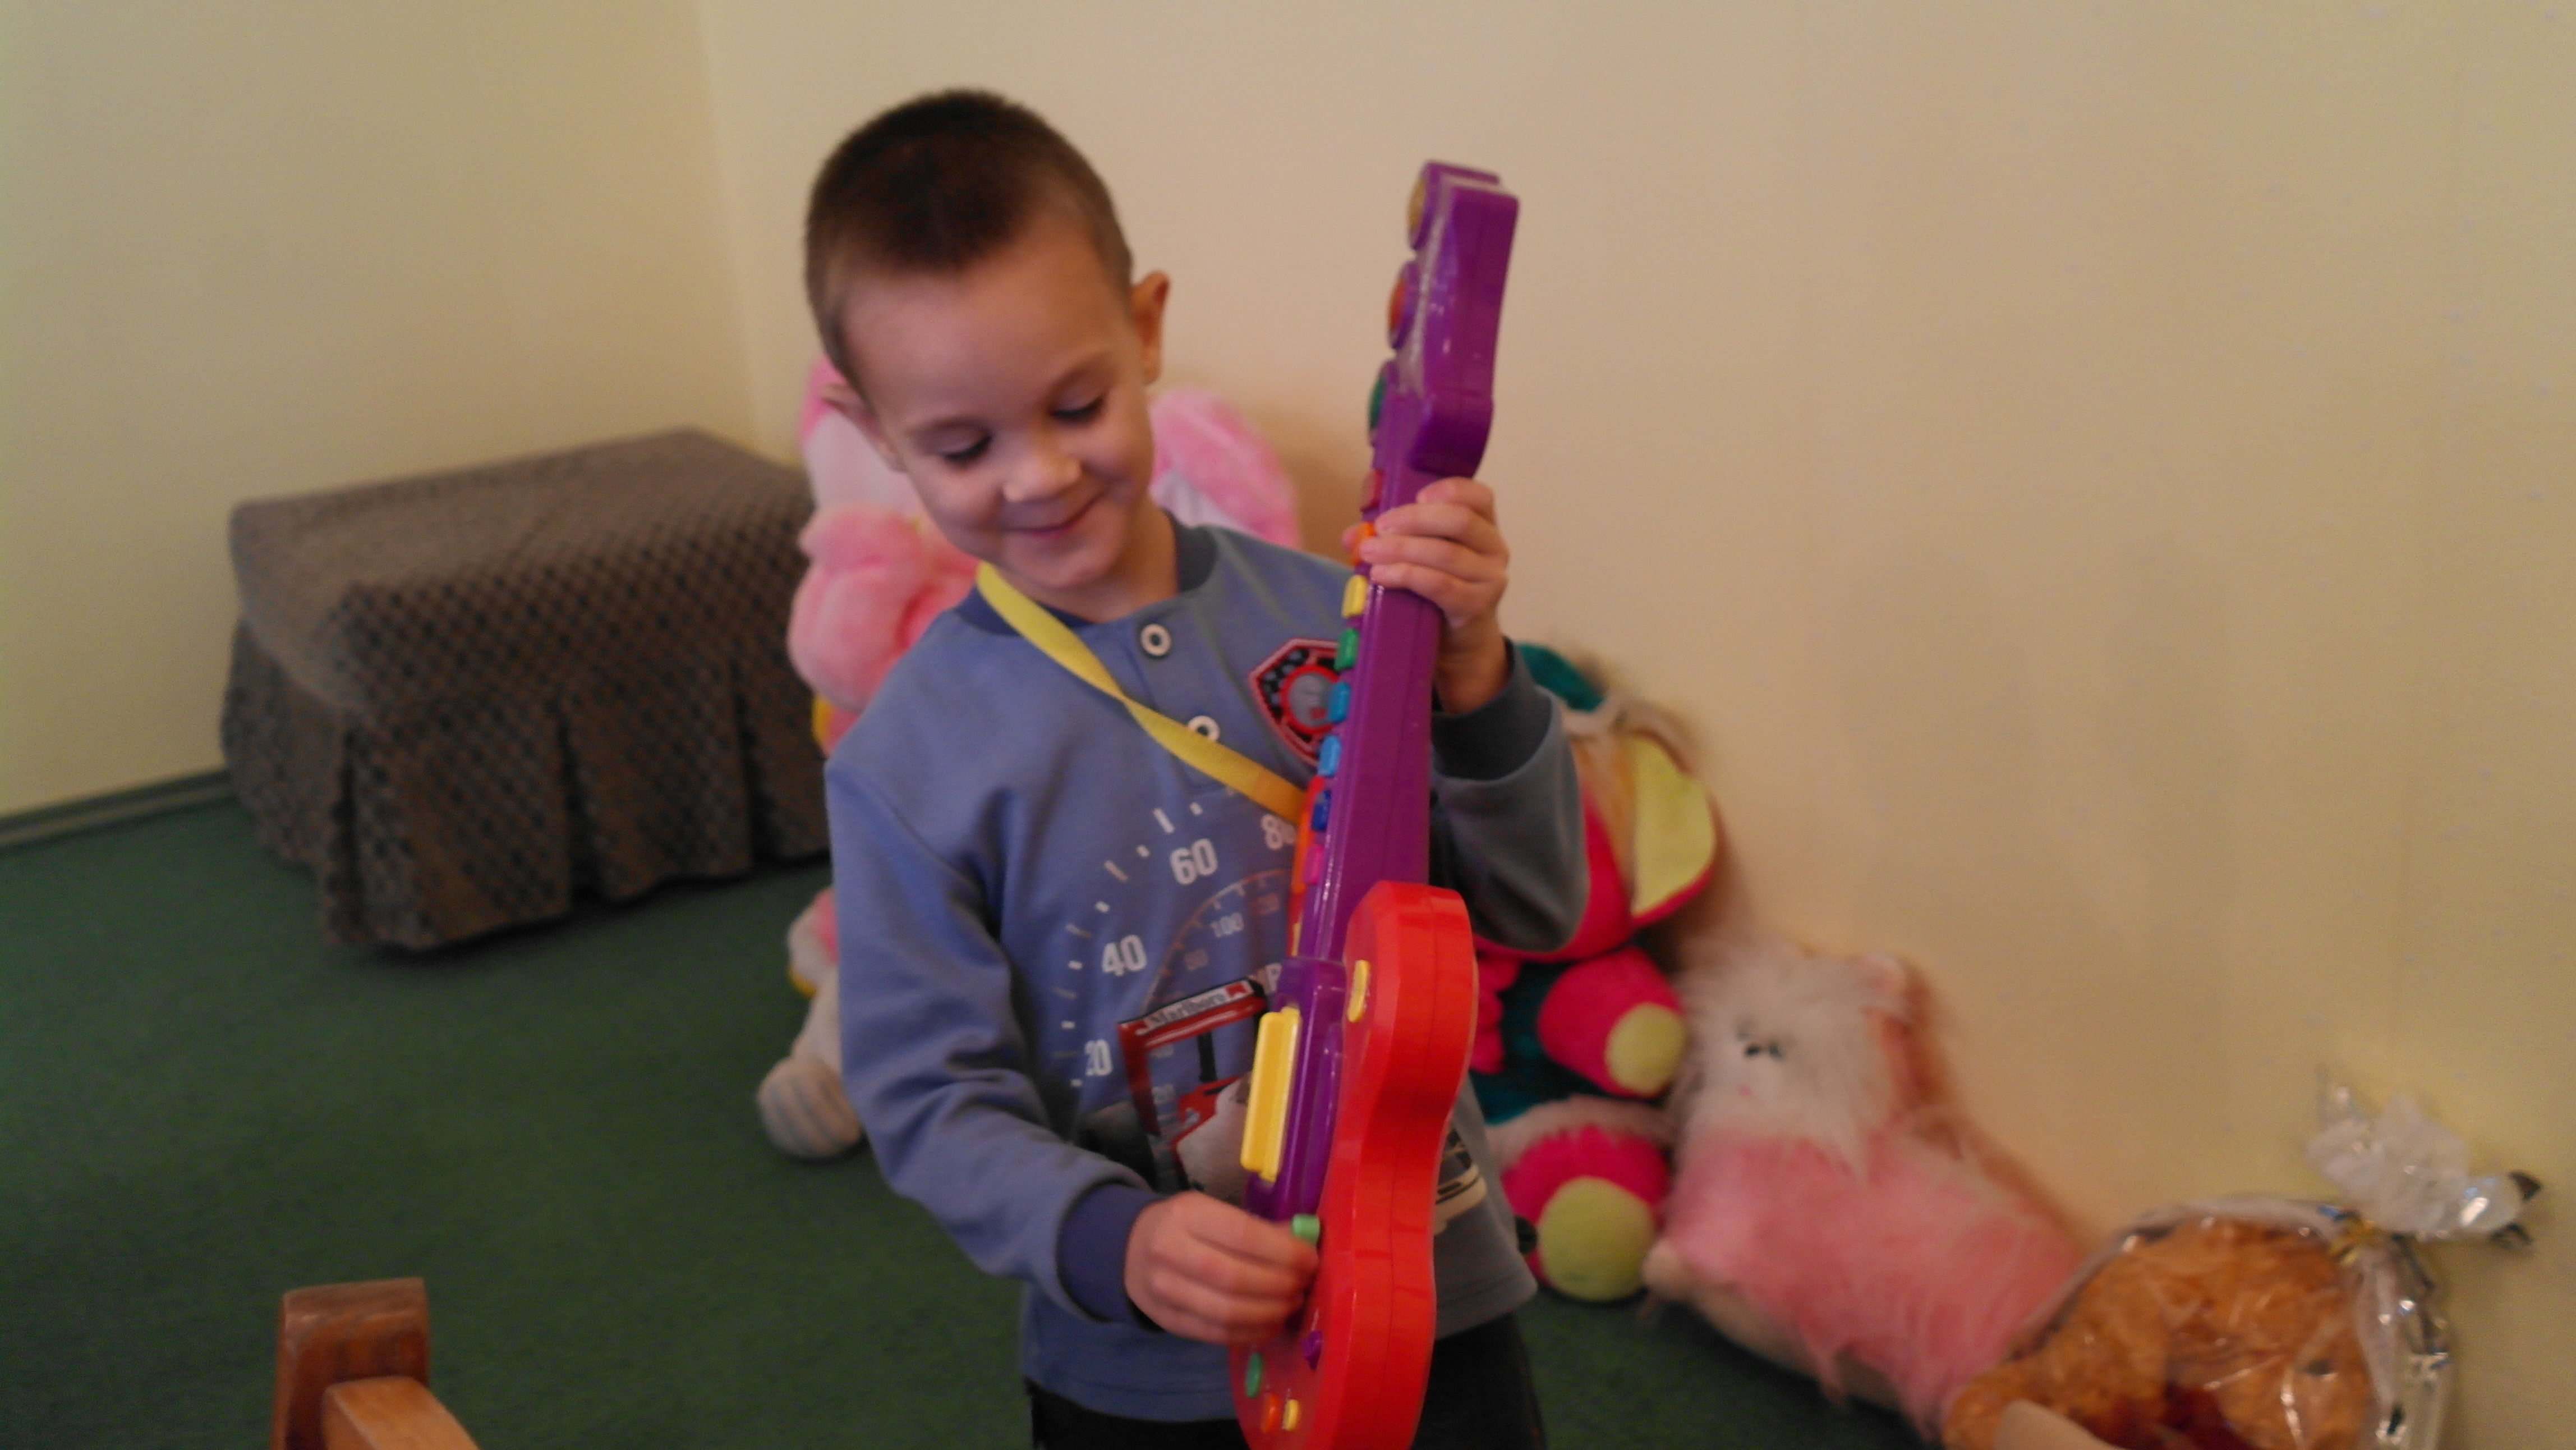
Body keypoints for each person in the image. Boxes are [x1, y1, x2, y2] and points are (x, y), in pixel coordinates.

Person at [807, 90, 1581, 1448]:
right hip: (1144, 1371)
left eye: (1078, 403)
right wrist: (1112, 1236)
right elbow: (929, 1095)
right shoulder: (903, 764)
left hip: (1430, 1295)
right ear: (872, 428)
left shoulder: (1337, 615)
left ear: (1146, 326)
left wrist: (1473, 675)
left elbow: (1532, 904)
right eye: (962, 445)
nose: (1039, 474)